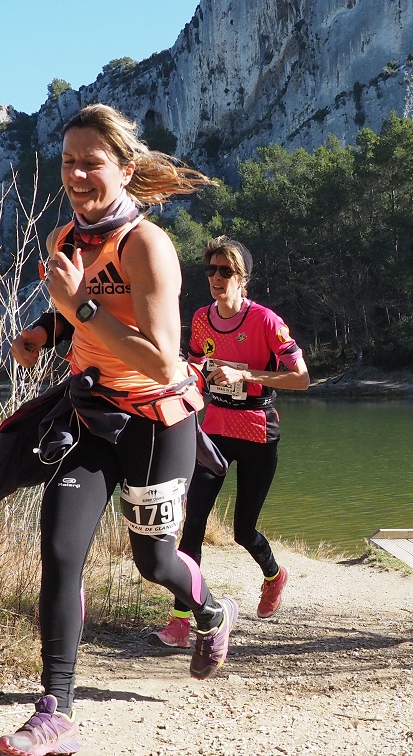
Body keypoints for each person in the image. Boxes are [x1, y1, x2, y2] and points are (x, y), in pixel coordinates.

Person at [0, 104, 238, 756]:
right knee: (60, 549)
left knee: (152, 560)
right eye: (68, 162)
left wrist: (79, 305)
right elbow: (73, 319)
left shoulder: (147, 246)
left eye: (91, 162)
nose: (76, 173)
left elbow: (161, 358)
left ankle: (210, 610)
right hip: (91, 415)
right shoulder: (62, 240)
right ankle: (55, 711)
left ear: (125, 170)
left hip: (158, 419)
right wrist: (44, 333)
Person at [150, 237, 310, 649]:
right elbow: (195, 365)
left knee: (243, 530)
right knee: (193, 524)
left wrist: (247, 376)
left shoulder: (267, 321)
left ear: (243, 278)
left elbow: (301, 378)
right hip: (214, 431)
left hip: (258, 432)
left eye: (226, 272)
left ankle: (274, 575)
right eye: (211, 271)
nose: (217, 279)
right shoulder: (202, 318)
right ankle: (183, 620)